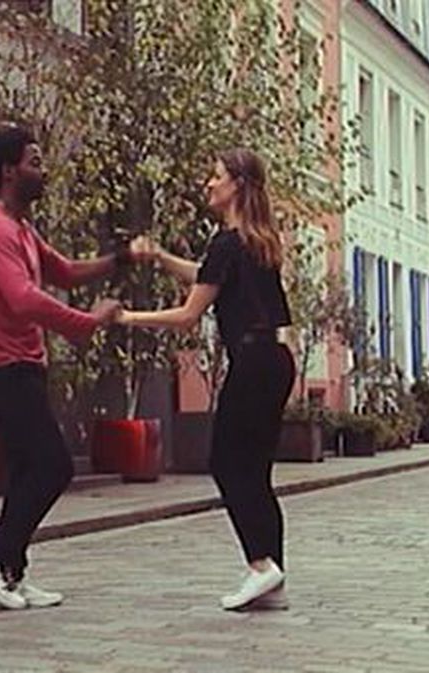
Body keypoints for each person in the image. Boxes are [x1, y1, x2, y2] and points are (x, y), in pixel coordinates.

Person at [0, 126, 138, 610]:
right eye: (35, 162)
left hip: (21, 363)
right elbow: (23, 299)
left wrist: (117, 260)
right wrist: (87, 322)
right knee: (52, 465)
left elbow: (64, 271)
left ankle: (12, 572)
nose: (43, 171)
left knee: (23, 470)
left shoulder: (20, 227)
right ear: (9, 171)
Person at [118, 149, 295, 611]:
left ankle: (261, 566)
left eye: (215, 176)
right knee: (256, 471)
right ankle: (271, 577)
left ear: (236, 184)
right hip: (274, 360)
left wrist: (127, 317)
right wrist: (160, 257)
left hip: (252, 366)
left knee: (226, 463)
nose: (207, 184)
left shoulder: (227, 243)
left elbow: (188, 315)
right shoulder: (257, 241)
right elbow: (207, 277)